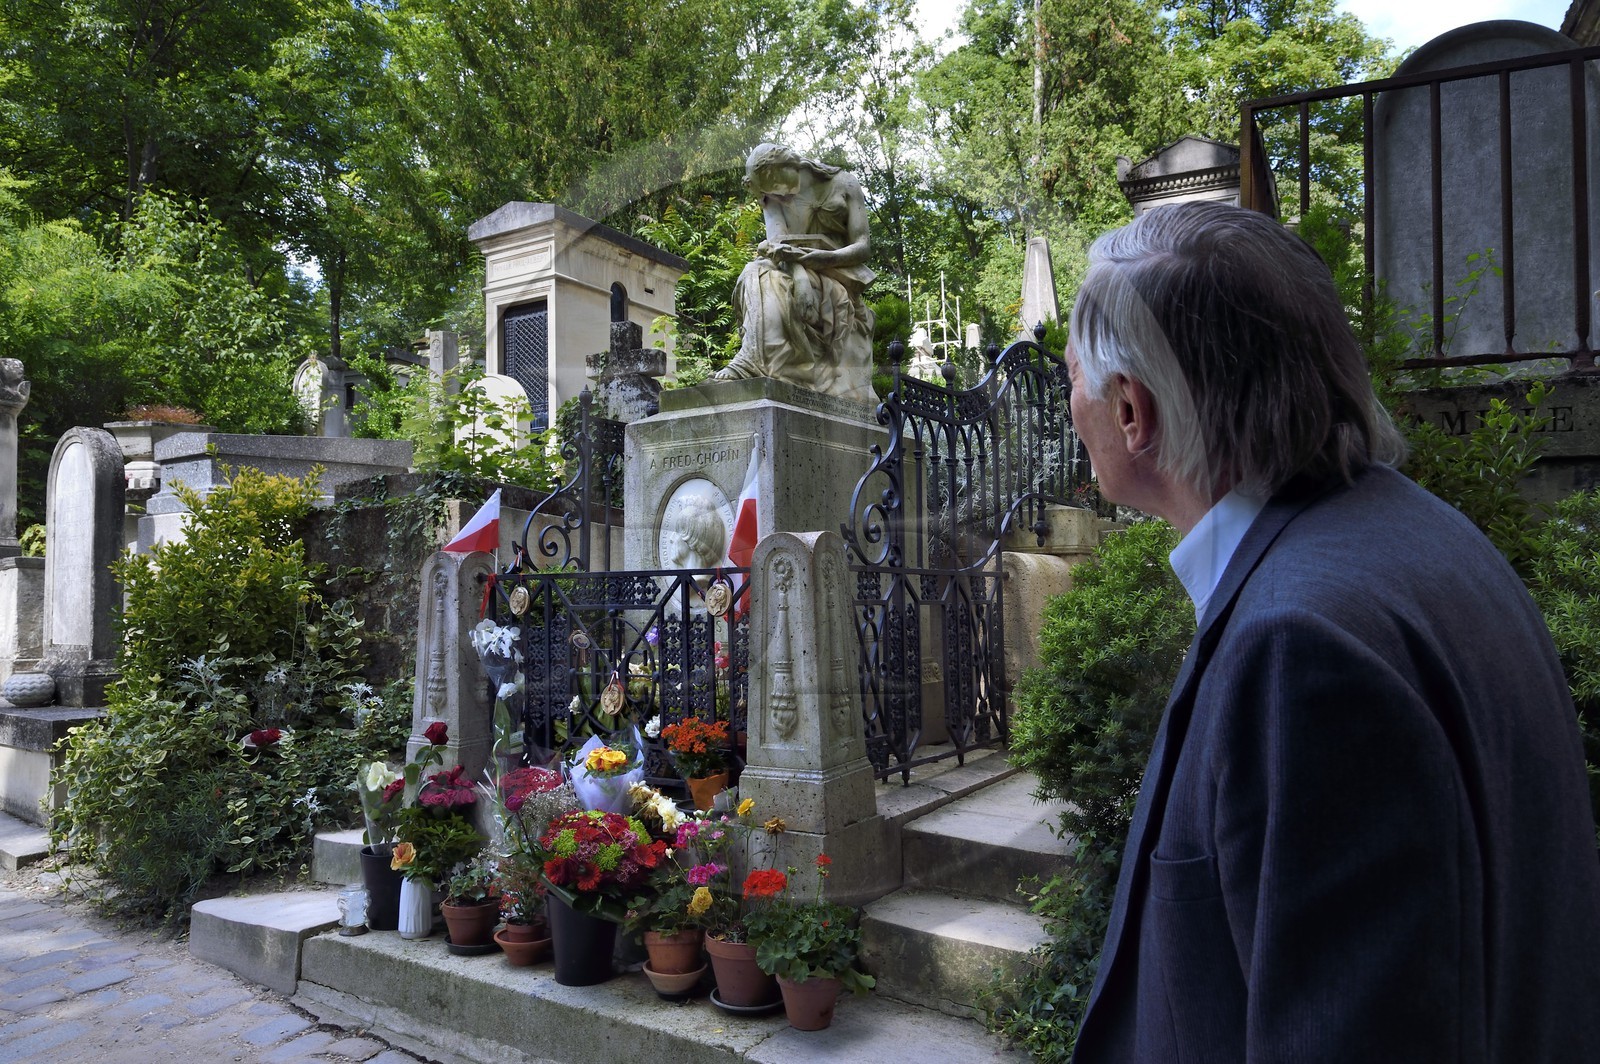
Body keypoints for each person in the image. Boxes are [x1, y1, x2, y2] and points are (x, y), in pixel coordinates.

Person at [1065, 201, 1600, 1062]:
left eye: (1076, 379)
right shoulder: (1429, 539)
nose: (1074, 404)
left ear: (1133, 410)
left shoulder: (1300, 646)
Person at [714, 143, 876, 404]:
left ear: (790, 166)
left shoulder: (845, 184)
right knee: (756, 272)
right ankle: (752, 359)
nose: (778, 198)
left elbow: (863, 246)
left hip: (836, 274)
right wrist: (800, 276)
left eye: (778, 187)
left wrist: (826, 258)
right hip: (793, 268)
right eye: (769, 192)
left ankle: (769, 363)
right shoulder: (770, 196)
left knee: (768, 278)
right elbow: (778, 248)